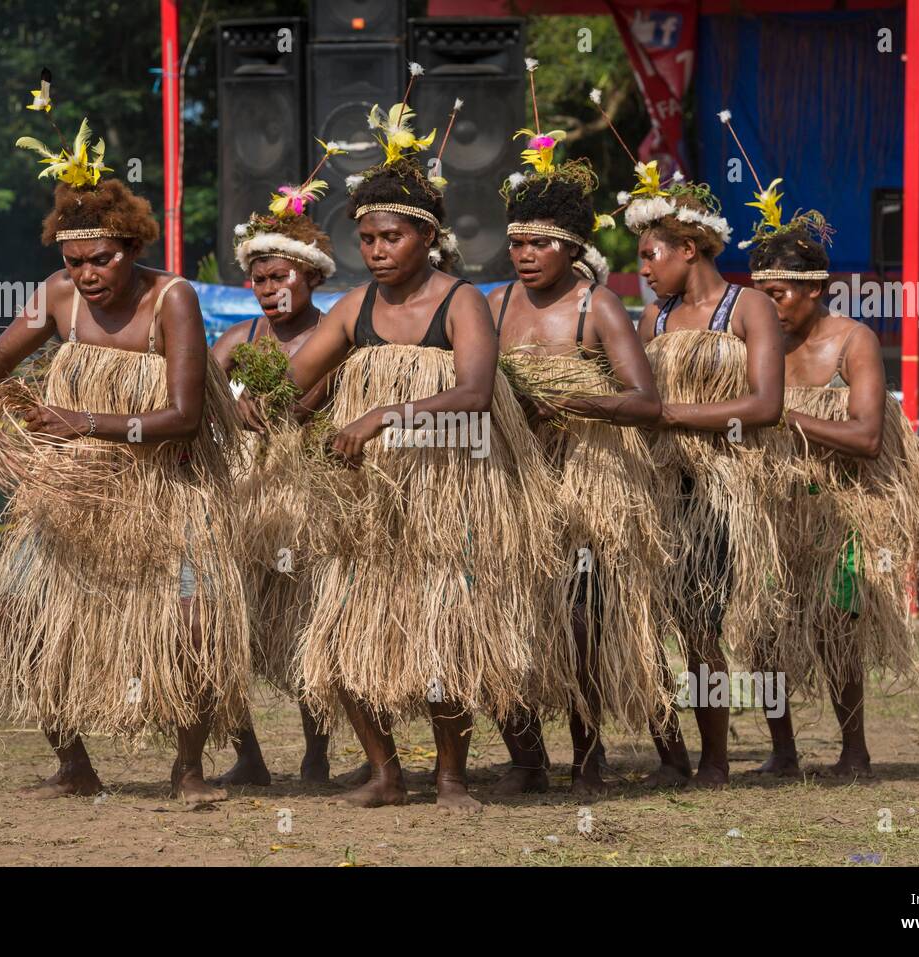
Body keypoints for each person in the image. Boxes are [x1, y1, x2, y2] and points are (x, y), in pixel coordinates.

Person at [0, 90, 248, 804]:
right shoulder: (58, 295)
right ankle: (74, 763)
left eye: (101, 259)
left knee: (191, 621)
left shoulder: (171, 298)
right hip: (72, 488)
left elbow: (181, 414)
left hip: (164, 486)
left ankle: (189, 768)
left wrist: (84, 422)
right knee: (23, 612)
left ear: (133, 246)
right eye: (76, 259)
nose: (88, 273)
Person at [283, 89, 557, 812]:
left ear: (425, 237)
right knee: (341, 638)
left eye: (391, 238)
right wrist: (265, 406)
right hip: (369, 504)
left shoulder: (458, 301)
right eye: (367, 238)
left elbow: (472, 394)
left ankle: (451, 777)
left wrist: (381, 416)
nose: (375, 250)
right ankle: (384, 771)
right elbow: (295, 380)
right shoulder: (354, 308)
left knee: (443, 640)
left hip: (448, 493)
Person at [486, 97, 666, 797]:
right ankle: (526, 755)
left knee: (581, 622)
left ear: (573, 248)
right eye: (517, 243)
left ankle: (588, 754)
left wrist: (559, 401)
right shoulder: (492, 305)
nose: (525, 255)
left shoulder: (599, 307)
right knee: (505, 619)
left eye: (541, 244)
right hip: (512, 484)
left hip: (587, 487)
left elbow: (645, 404)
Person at [745, 213, 919, 778]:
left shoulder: (854, 341)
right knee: (762, 628)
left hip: (839, 511)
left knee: (837, 624)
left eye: (778, 294)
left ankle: (854, 750)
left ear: (814, 289)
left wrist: (783, 417)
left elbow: (867, 437)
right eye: (761, 295)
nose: (770, 307)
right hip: (770, 506)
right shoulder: (759, 344)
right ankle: (782, 752)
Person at [626, 163, 786, 789]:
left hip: (722, 486)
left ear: (687, 249)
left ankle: (715, 759)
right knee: (643, 619)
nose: (643, 267)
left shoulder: (749, 308)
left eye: (650, 255)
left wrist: (672, 414)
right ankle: (669, 756)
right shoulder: (654, 318)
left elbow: (765, 405)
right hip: (655, 484)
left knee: (700, 625)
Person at [209, 148, 339, 786]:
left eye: (282, 277)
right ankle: (247, 755)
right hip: (247, 498)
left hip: (315, 496)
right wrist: (231, 414)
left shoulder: (338, 336)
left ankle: (317, 752)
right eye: (260, 280)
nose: (270, 290)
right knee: (227, 623)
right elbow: (193, 399)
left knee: (311, 627)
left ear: (310, 279)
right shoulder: (238, 341)